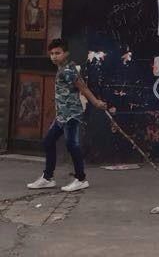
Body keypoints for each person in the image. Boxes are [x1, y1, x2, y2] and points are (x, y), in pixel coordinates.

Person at [27, 39, 109, 193]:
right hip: (62, 116)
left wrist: (96, 102)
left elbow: (83, 87)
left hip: (71, 115)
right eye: (52, 53)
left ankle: (81, 179)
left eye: (57, 53)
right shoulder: (62, 68)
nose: (54, 56)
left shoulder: (68, 71)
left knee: (72, 145)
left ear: (66, 54)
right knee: (48, 142)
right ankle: (48, 178)